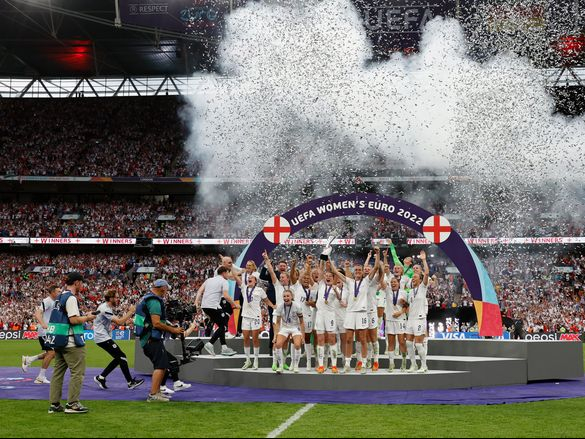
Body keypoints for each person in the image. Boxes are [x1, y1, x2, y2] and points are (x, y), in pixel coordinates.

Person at [47, 272, 97, 414]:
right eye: (81, 283)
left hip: (59, 340)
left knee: (57, 373)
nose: (82, 286)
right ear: (76, 283)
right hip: (71, 341)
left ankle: (55, 404)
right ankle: (72, 404)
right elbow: (73, 320)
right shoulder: (71, 298)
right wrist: (87, 317)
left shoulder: (60, 297)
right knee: (77, 373)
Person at [134, 279, 185, 402]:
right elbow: (156, 323)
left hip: (148, 338)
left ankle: (156, 392)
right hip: (152, 338)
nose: (166, 292)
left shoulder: (148, 298)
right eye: (166, 289)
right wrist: (173, 330)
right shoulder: (154, 301)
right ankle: (153, 394)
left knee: (162, 365)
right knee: (160, 365)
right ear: (162, 288)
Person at [330, 249, 379, 374]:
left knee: (362, 339)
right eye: (356, 270)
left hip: (362, 313)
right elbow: (335, 271)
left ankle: (362, 364)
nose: (357, 272)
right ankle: (347, 364)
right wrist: (328, 257)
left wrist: (377, 255)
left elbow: (376, 267)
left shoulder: (367, 281)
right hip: (350, 313)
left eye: (359, 270)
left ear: (362, 272)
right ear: (353, 272)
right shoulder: (349, 282)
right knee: (348, 339)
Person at [93, 290, 144, 390]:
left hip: (102, 337)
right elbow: (119, 322)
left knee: (119, 358)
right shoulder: (105, 308)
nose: (118, 299)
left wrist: (126, 323)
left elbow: (118, 322)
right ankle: (130, 382)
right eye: (116, 297)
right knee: (122, 356)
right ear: (110, 298)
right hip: (102, 337)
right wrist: (131, 312)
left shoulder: (106, 308)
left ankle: (101, 377)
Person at [234, 271, 275, 370]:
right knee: (246, 339)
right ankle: (248, 360)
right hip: (245, 317)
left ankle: (256, 360)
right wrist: (231, 268)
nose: (249, 278)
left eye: (252, 277)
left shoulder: (260, 290)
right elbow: (236, 277)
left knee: (255, 339)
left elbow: (266, 300)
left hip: (256, 317)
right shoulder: (244, 288)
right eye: (249, 277)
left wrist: (273, 306)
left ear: (255, 281)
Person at [196, 266, 239, 356]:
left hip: (205, 306)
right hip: (213, 306)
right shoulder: (224, 281)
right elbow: (226, 296)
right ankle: (210, 343)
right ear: (223, 273)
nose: (228, 275)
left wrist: (196, 302)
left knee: (221, 326)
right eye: (228, 273)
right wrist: (235, 305)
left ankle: (224, 348)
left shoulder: (209, 280)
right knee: (223, 326)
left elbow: (199, 291)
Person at [21, 285, 59, 384]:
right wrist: (43, 324)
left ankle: (29, 359)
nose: (60, 293)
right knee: (51, 353)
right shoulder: (47, 301)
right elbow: (37, 313)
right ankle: (40, 377)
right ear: (52, 292)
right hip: (45, 331)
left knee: (52, 353)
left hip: (51, 330)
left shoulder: (55, 302)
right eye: (58, 291)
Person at [405, 251, 430, 373]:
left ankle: (424, 365)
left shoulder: (422, 288)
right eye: (412, 277)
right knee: (409, 343)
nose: (413, 278)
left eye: (415, 277)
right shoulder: (410, 292)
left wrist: (423, 260)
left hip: (419, 319)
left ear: (420, 280)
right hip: (410, 319)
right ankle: (413, 365)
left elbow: (426, 273)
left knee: (419, 344)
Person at [273, 289, 305, 373]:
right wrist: (275, 336)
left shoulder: (297, 306)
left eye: (288, 296)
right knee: (278, 344)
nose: (286, 298)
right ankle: (280, 366)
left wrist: (303, 336)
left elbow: (301, 322)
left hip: (295, 327)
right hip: (285, 328)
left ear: (292, 297)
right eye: (284, 296)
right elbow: (277, 322)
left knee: (297, 345)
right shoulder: (280, 306)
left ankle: (295, 366)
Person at [384, 277, 408, 372]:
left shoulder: (404, 293)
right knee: (391, 342)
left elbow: (407, 306)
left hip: (400, 320)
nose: (393, 283)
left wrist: (400, 312)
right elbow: (382, 281)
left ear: (398, 283)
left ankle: (404, 361)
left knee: (401, 342)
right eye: (392, 282)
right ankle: (391, 363)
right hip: (390, 320)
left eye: (395, 282)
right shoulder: (387, 290)